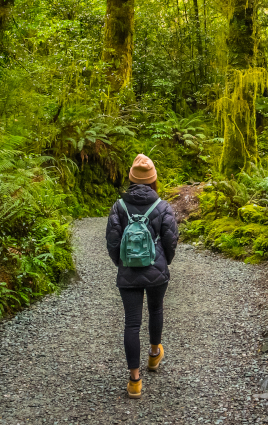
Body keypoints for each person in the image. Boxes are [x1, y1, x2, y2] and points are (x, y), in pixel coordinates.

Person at [106, 153, 179, 399]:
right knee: (156, 310)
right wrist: (164, 261)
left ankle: (135, 381)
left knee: (132, 322)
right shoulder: (163, 206)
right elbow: (171, 239)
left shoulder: (119, 206)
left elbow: (112, 240)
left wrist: (121, 263)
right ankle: (153, 355)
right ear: (153, 179)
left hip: (128, 272)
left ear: (131, 178)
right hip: (156, 270)